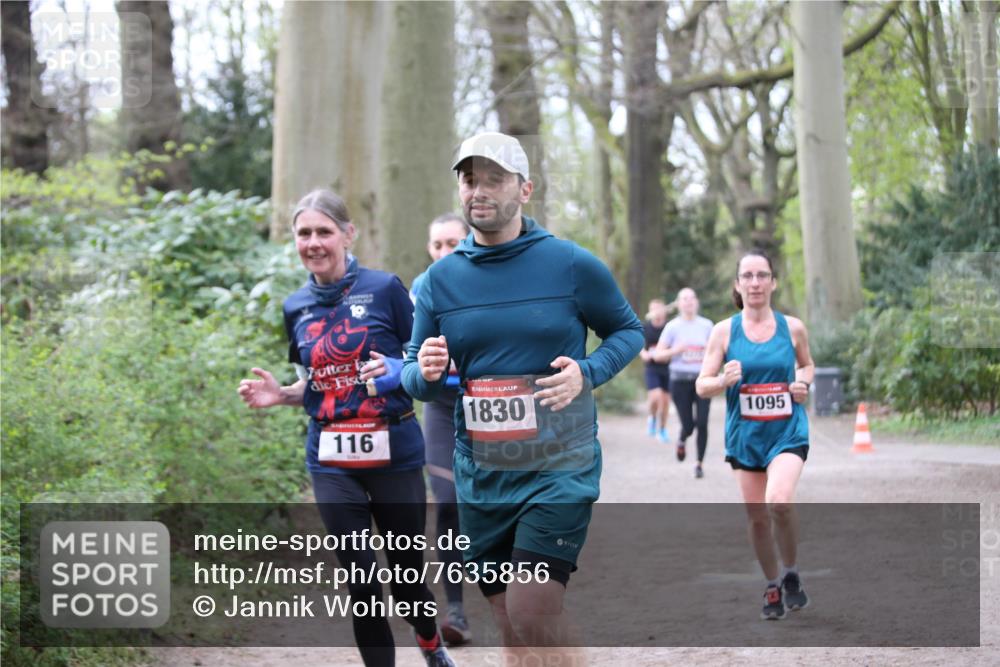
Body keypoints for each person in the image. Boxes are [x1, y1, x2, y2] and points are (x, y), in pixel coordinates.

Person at [401, 132, 643, 663]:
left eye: (494, 179)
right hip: (483, 473)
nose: (478, 191)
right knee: (512, 627)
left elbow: (628, 331)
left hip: (560, 465)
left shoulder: (570, 265)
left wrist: (588, 370)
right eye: (469, 179)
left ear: (525, 189)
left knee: (534, 611)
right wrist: (422, 370)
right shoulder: (440, 281)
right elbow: (412, 375)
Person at [237, 190, 456, 667]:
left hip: (394, 449)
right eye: (304, 233)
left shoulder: (384, 289)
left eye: (324, 231)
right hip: (331, 458)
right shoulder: (295, 306)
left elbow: (422, 358)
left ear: (348, 234)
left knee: (405, 577)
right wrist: (284, 395)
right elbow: (319, 384)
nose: (313, 242)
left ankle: (428, 640)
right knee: (360, 578)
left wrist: (402, 368)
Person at [696, 251, 814, 620]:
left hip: (786, 431)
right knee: (757, 516)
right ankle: (772, 582)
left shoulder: (792, 327)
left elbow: (808, 365)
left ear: (773, 282)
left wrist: (802, 383)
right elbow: (702, 385)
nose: (755, 282)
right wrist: (722, 381)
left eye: (762, 275)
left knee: (778, 501)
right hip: (746, 436)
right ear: (737, 284)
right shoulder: (723, 331)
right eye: (747, 276)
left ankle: (792, 570)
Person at [411, 212, 474, 646]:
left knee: (491, 502)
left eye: (452, 243)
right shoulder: (422, 287)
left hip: (489, 402)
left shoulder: (488, 279)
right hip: (439, 404)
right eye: (437, 245)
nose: (443, 253)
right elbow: (408, 348)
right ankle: (455, 610)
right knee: (448, 502)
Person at [654, 288, 713, 477]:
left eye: (692, 298)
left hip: (703, 380)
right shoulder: (672, 327)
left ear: (697, 302)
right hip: (679, 381)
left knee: (703, 422)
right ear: (678, 304)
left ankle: (699, 464)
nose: (688, 302)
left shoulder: (707, 325)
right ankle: (682, 438)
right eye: (684, 299)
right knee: (689, 425)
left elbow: (716, 351)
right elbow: (658, 355)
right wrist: (675, 351)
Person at [639, 298, 673, 443]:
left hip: (668, 368)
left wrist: (667, 354)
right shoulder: (645, 328)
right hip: (652, 367)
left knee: (665, 402)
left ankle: (663, 429)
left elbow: (675, 345)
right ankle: (652, 418)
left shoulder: (670, 327)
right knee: (655, 397)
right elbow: (639, 345)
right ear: (650, 311)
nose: (656, 312)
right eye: (653, 309)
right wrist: (643, 354)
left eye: (659, 308)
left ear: (664, 311)